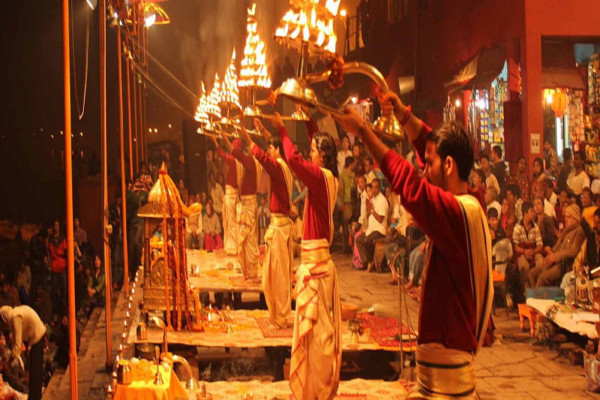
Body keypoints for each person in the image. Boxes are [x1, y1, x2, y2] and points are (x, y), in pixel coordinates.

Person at [334, 92, 493, 399]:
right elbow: (431, 151)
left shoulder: (457, 212)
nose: (422, 166)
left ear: (448, 165)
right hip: (441, 372)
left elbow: (410, 183)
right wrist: (403, 116)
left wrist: (364, 132)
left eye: (428, 163)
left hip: (448, 382)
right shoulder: (468, 200)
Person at [270, 111, 340, 400]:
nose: (311, 153)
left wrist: (283, 130)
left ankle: (319, 388)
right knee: (311, 336)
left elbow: (296, 161)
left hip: (317, 267)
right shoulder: (327, 176)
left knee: (318, 338)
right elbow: (313, 146)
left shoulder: (321, 178)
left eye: (314, 150)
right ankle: (311, 386)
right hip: (315, 261)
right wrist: (307, 118)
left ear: (322, 155)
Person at [242, 119, 294, 328]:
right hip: (278, 228)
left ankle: (281, 316)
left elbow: (263, 158)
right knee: (270, 276)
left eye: (271, 148)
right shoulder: (282, 166)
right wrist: (263, 129)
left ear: (277, 150)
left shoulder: (279, 168)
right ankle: (277, 315)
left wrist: (247, 136)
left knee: (279, 276)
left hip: (281, 229)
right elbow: (267, 152)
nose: (269, 151)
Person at [222, 134, 263, 281]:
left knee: (250, 240)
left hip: (249, 205)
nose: (247, 149)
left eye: (250, 147)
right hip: (247, 203)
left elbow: (238, 155)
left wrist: (225, 140)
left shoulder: (253, 161)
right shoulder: (253, 162)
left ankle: (251, 272)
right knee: (247, 240)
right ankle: (249, 271)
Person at [529, 204, 584, 287]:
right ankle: (532, 296)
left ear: (575, 217)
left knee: (542, 278)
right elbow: (558, 246)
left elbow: (573, 251)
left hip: (564, 264)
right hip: (554, 260)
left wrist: (555, 257)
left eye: (568, 217)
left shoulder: (579, 231)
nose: (566, 220)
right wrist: (550, 253)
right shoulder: (566, 231)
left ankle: (536, 298)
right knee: (531, 273)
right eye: (565, 217)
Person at [0, 305, 46, 400]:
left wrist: (8, 363)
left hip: (37, 338)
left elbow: (17, 344)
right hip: (35, 339)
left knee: (35, 372)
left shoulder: (15, 317)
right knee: (34, 371)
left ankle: (35, 397)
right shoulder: (15, 314)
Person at [213, 137, 243, 256]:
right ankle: (233, 246)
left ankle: (233, 247)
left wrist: (215, 141)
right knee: (231, 221)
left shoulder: (234, 161)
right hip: (233, 195)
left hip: (231, 196)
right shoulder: (240, 162)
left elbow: (222, 154)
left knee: (231, 222)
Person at [356, 179, 388, 271]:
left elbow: (380, 219)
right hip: (371, 228)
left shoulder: (382, 200)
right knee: (359, 240)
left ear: (378, 188)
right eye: (372, 187)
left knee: (366, 241)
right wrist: (368, 209)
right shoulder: (373, 199)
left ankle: (370, 262)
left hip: (379, 229)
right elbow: (370, 214)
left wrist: (372, 210)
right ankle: (368, 261)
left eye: (375, 188)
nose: (373, 190)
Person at [512, 201, 544, 292]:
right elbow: (515, 246)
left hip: (534, 252)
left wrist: (533, 252)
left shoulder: (535, 227)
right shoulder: (518, 227)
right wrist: (525, 252)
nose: (534, 213)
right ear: (525, 213)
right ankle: (526, 290)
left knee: (540, 260)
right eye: (531, 211)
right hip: (522, 253)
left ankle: (538, 288)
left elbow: (540, 244)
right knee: (522, 263)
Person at [47, 220, 67, 317]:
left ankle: (64, 313)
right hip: (54, 268)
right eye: (55, 225)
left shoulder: (63, 238)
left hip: (62, 267)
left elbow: (64, 251)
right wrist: (59, 252)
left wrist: (57, 252)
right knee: (54, 292)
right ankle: (54, 313)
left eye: (58, 225)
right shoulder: (50, 239)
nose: (56, 227)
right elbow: (51, 252)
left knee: (64, 291)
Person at [337, 156, 356, 254]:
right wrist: (341, 204)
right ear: (350, 164)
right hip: (346, 204)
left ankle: (352, 247)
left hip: (353, 203)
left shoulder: (353, 175)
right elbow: (340, 192)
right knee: (345, 227)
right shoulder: (342, 176)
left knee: (352, 226)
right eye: (353, 163)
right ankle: (346, 248)